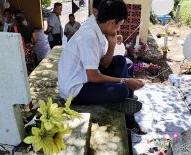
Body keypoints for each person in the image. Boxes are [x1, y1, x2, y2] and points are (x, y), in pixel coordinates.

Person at [59, 0, 146, 134]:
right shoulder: (89, 37)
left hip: (86, 76)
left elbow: (104, 64)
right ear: (111, 22)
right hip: (76, 89)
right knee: (122, 89)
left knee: (124, 62)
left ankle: (125, 105)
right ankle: (122, 105)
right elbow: (93, 76)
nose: (118, 30)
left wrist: (111, 44)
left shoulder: (97, 24)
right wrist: (123, 80)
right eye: (119, 25)